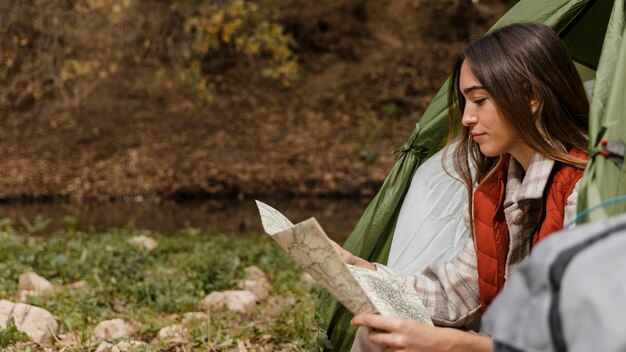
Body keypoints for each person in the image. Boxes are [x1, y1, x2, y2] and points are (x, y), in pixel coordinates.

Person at [333, 22, 590, 351]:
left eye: (479, 100)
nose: (467, 117)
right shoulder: (496, 190)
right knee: (377, 335)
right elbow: (456, 292)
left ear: (531, 97)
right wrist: (363, 270)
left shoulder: (585, 189)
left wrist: (453, 344)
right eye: (465, 102)